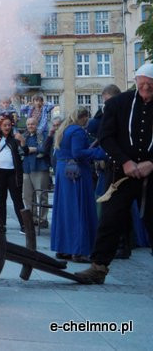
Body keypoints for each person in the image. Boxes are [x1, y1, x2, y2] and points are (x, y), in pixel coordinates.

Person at [76, 64, 153, 283]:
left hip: (151, 176)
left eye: (151, 84)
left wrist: (151, 163)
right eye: (143, 82)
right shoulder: (119, 104)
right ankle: (98, 268)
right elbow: (106, 137)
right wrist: (125, 161)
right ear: (136, 81)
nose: (146, 87)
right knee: (109, 220)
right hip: (121, 173)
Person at [51, 107, 106, 263]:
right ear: (83, 118)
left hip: (64, 171)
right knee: (78, 210)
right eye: (87, 119)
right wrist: (101, 153)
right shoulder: (77, 131)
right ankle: (78, 251)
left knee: (65, 211)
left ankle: (63, 249)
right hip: (75, 173)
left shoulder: (64, 129)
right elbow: (77, 153)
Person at [0, 116, 25, 232]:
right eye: (5, 125)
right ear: (0, 126)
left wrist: (22, 141)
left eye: (9, 125)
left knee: (17, 199)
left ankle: (24, 225)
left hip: (13, 173)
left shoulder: (15, 138)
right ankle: (1, 224)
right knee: (0, 199)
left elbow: (24, 152)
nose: (7, 127)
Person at [20, 117, 51, 228]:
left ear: (37, 124)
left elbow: (45, 149)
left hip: (40, 168)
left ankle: (43, 220)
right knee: (28, 196)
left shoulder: (43, 135)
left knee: (42, 195)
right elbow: (21, 150)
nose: (30, 126)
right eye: (28, 124)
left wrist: (34, 149)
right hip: (27, 168)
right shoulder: (24, 136)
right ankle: (32, 219)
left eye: (32, 124)